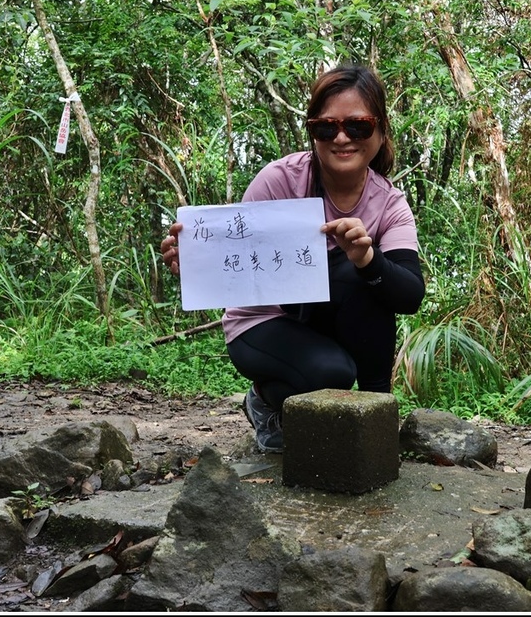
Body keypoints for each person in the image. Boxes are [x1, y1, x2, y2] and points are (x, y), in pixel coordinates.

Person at [161, 65, 425, 453]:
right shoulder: (281, 181)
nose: (341, 138)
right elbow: (232, 257)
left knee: (363, 278)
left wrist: (369, 259)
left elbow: (409, 295)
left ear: (380, 130)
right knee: (333, 373)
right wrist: (195, 263)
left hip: (325, 323)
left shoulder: (389, 203)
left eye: (357, 126)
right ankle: (266, 403)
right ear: (312, 133)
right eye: (325, 127)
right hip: (262, 323)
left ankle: (378, 416)